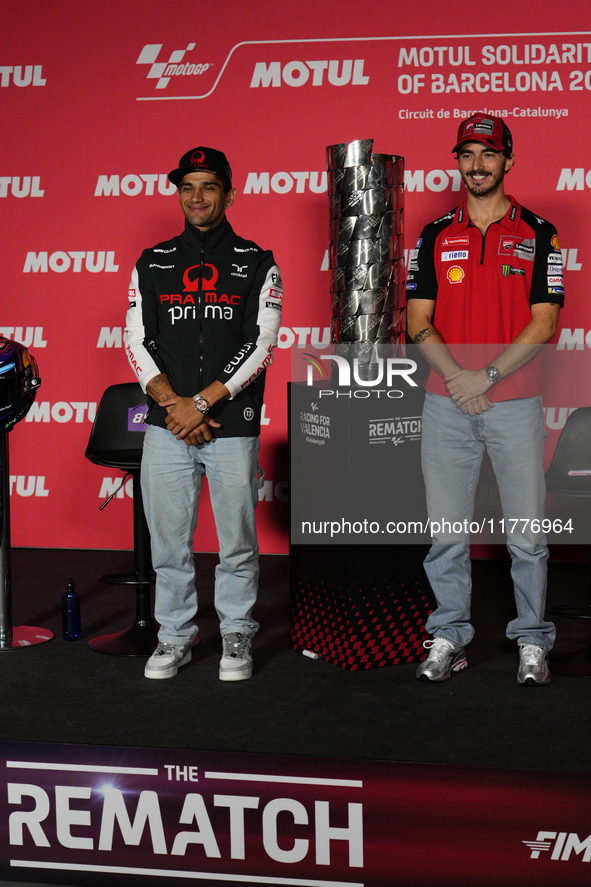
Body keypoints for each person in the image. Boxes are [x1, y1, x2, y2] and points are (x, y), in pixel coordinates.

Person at [406, 114, 564, 685]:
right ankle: (449, 634)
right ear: (458, 161)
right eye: (467, 154)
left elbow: (544, 323)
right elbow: (418, 321)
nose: (477, 165)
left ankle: (531, 642)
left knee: (525, 534)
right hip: (446, 401)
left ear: (508, 160)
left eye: (488, 154)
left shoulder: (539, 233)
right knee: (447, 532)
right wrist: (458, 380)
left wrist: (487, 376)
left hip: (515, 403)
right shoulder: (432, 235)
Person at [124, 146, 282, 681]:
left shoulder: (258, 261)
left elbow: (260, 345)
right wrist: (174, 405)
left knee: (236, 540)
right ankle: (176, 635)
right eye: (187, 186)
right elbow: (136, 341)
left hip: (229, 425)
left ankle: (237, 631)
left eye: (208, 186)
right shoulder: (152, 260)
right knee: (169, 543)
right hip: (169, 425)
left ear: (229, 195)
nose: (196, 196)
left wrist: (201, 403)